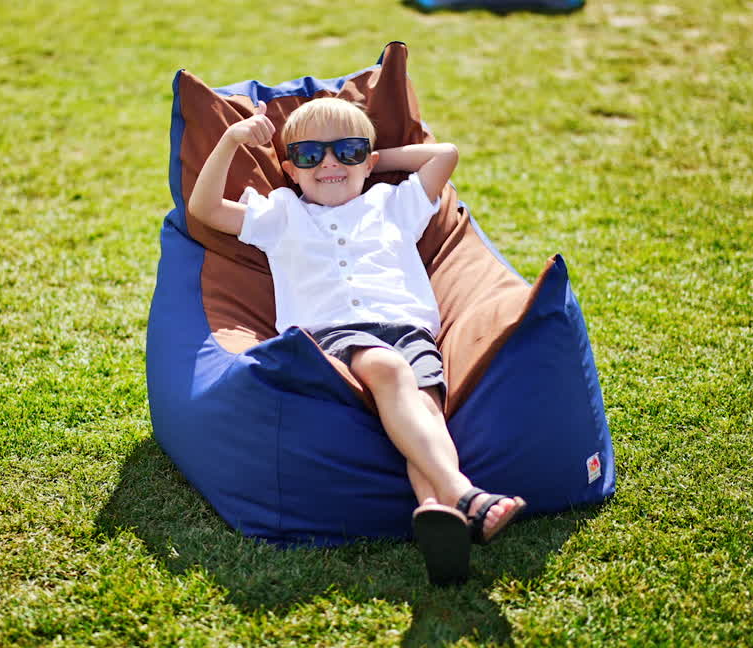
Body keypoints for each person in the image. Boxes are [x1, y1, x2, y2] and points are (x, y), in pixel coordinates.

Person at [187, 96, 525, 585]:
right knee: (388, 369)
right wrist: (233, 139)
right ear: (290, 169)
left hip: (407, 326)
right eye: (309, 155)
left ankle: (439, 513)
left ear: (367, 162)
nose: (328, 163)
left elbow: (443, 154)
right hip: (331, 333)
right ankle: (464, 492)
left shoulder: (392, 203)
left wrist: (373, 158)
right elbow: (204, 209)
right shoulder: (280, 213)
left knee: (425, 411)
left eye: (345, 151)